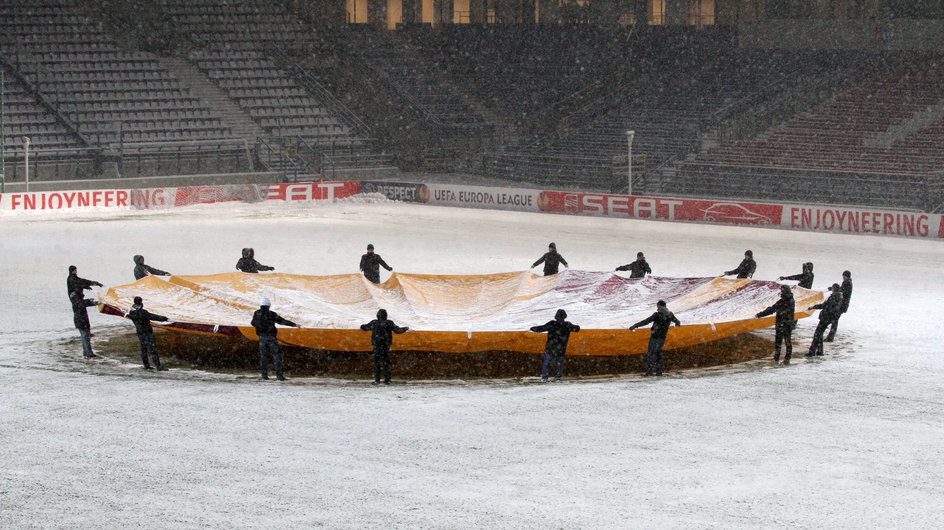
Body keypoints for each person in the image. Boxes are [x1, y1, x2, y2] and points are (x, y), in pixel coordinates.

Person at [251, 297, 298, 380]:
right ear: (269, 306)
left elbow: (252, 323)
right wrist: (294, 324)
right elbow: (282, 321)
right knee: (276, 356)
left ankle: (264, 376)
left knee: (263, 357)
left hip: (262, 338)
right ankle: (279, 376)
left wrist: (260, 326)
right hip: (271, 337)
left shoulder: (256, 313)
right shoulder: (271, 314)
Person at [630, 300, 681, 377]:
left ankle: (649, 372)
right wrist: (676, 325)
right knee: (658, 354)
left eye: (657, 306)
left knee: (650, 354)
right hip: (662, 338)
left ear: (659, 306)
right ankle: (659, 372)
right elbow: (678, 322)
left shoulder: (657, 315)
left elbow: (646, 321)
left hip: (655, 337)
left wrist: (635, 325)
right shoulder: (670, 314)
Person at [529, 309, 581, 382]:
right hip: (561, 348)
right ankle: (557, 377)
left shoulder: (552, 323)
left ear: (556, 316)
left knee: (547, 362)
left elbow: (542, 328)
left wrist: (532, 328)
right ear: (565, 316)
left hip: (550, 347)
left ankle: (544, 377)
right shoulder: (567, 325)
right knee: (559, 363)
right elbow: (577, 329)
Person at [360, 309, 409, 385]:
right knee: (386, 363)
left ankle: (377, 379)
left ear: (378, 315)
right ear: (386, 315)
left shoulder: (374, 322)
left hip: (376, 346)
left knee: (377, 363)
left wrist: (362, 326)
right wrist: (405, 328)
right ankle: (387, 379)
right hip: (386, 346)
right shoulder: (389, 323)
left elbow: (365, 327)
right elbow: (397, 330)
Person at [755, 285, 795, 364]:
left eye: (782, 291)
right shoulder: (783, 300)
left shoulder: (790, 301)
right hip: (782, 324)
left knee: (786, 341)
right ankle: (777, 358)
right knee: (780, 341)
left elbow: (785, 311)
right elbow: (772, 309)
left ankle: (786, 359)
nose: (780, 292)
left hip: (785, 324)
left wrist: (779, 312)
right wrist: (760, 314)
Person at [127, 296, 169, 370]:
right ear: (141, 302)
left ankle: (146, 365)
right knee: (153, 349)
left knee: (144, 350)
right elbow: (153, 317)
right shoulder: (143, 312)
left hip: (140, 333)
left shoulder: (131, 312)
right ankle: (158, 366)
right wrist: (164, 318)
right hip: (147, 332)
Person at [806, 283, 843, 357]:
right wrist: (814, 307)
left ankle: (812, 351)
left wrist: (814, 307)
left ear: (834, 289)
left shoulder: (833, 297)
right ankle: (819, 351)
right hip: (827, 318)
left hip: (825, 318)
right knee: (819, 335)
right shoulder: (838, 297)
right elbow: (828, 307)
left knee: (817, 334)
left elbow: (826, 306)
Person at [70, 290, 100, 359]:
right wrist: (93, 302)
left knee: (85, 337)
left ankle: (86, 352)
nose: (83, 294)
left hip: (80, 322)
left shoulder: (75, 301)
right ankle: (88, 353)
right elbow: (83, 303)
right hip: (82, 322)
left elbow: (84, 303)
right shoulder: (78, 302)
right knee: (85, 337)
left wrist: (91, 302)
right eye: (82, 292)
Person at [826, 270, 853, 342]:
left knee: (834, 320)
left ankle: (830, 337)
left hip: (841, 305)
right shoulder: (848, 283)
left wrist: (833, 289)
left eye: (844, 276)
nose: (843, 277)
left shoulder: (847, 283)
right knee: (834, 320)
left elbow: (843, 292)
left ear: (846, 276)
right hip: (842, 305)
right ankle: (830, 336)